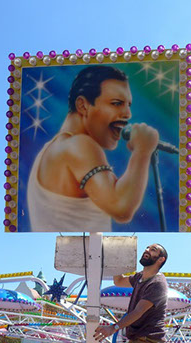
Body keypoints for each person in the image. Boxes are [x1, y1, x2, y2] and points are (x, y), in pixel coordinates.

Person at [27, 65, 159, 231]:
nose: (127, 114)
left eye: (128, 105)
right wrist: (142, 151)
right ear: (83, 105)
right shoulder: (78, 144)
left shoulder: (52, 149)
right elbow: (121, 208)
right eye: (117, 103)